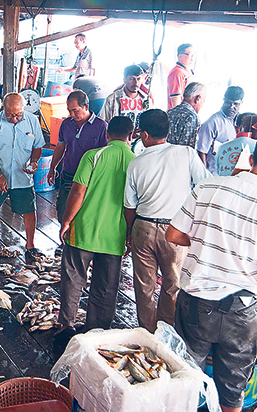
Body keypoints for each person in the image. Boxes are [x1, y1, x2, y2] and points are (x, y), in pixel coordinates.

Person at [166, 145, 257, 412]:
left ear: (251, 159)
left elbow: (173, 234)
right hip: (243, 307)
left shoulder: (208, 186)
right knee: (233, 389)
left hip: (195, 302)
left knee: (185, 375)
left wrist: (206, 241)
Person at [123, 109, 210, 333]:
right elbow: (204, 186)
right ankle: (166, 331)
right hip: (176, 228)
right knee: (173, 284)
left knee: (144, 286)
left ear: (143, 135)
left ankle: (147, 333)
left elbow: (129, 206)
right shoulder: (187, 154)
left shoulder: (136, 163)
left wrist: (130, 233)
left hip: (143, 225)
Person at [56, 116, 136, 340]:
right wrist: (128, 233)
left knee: (73, 279)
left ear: (107, 133)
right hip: (115, 235)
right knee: (107, 286)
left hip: (84, 229)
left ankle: (67, 325)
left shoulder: (93, 156)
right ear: (131, 136)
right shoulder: (135, 161)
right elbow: (133, 205)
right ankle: (97, 331)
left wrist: (66, 221)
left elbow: (78, 192)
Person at [0, 93, 45, 260]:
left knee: (29, 209)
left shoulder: (32, 120)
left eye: (18, 114)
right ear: (4, 109)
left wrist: (34, 162)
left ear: (23, 109)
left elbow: (37, 146)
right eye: (10, 115)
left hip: (22, 176)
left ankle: (30, 244)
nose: (14, 118)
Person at [46, 90, 107, 253]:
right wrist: (52, 168)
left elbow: (104, 155)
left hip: (90, 178)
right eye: (69, 111)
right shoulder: (66, 124)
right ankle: (64, 241)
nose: (72, 114)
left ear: (86, 106)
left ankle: (84, 244)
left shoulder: (101, 126)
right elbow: (60, 147)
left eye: (75, 110)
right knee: (62, 208)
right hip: (68, 174)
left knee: (86, 210)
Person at [196, 86, 244, 175]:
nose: (231, 107)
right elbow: (201, 151)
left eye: (236, 104)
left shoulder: (243, 121)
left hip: (236, 176)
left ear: (241, 103)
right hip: (216, 175)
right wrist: (204, 176)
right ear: (223, 100)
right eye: (228, 103)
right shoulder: (213, 122)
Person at [167, 81, 206, 148]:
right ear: (198, 99)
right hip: (179, 157)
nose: (202, 105)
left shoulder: (168, 113)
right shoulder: (192, 117)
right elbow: (188, 149)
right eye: (203, 102)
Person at [168, 43, 196, 109]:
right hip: (181, 114)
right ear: (180, 56)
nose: (192, 58)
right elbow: (175, 99)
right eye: (190, 55)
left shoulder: (187, 71)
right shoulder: (177, 72)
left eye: (194, 55)